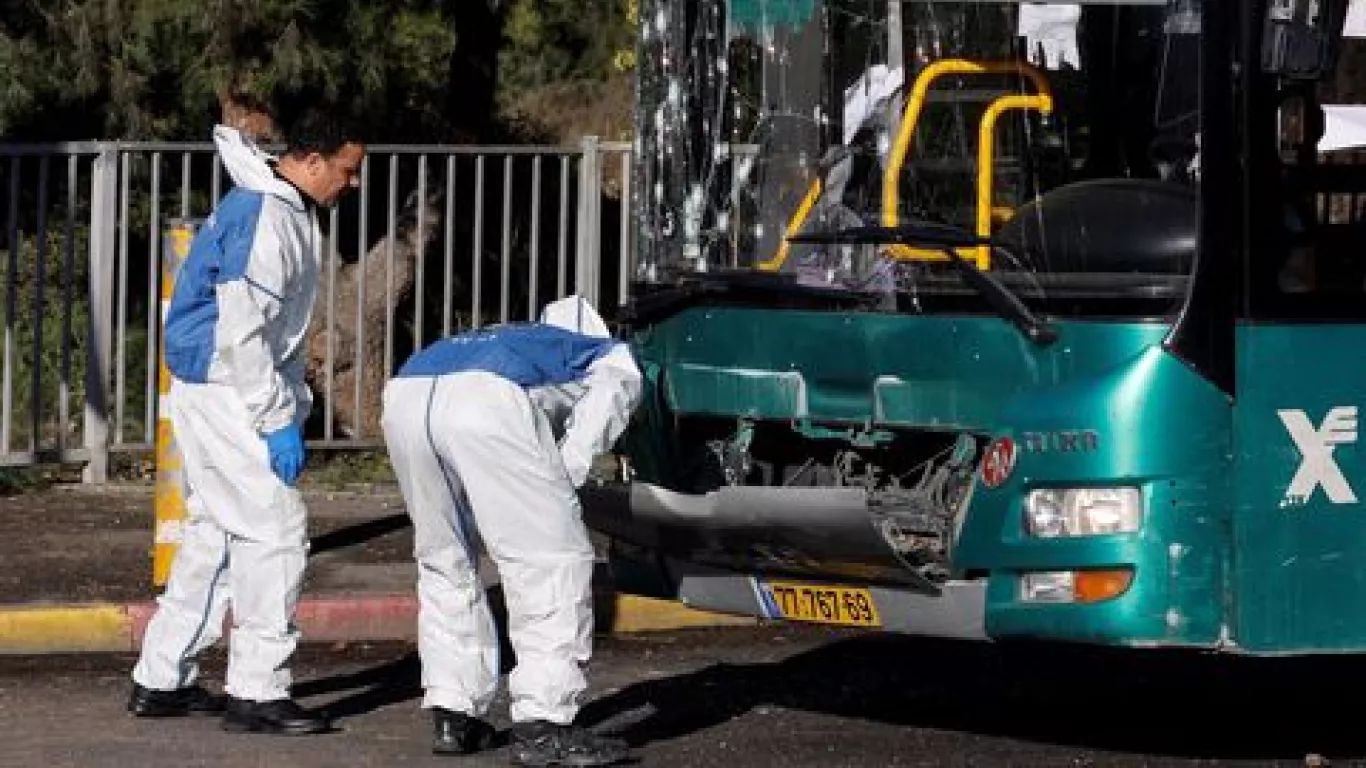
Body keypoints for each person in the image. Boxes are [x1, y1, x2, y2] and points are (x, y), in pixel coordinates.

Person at [127, 113, 365, 735]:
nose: (353, 183)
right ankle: (258, 691)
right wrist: (275, 417)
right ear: (312, 161)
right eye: (348, 169)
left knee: (217, 535)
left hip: (215, 383)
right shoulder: (267, 215)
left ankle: (163, 677)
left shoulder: (270, 207)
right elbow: (242, 329)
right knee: (275, 531)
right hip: (230, 387)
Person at [380, 296, 641, 766]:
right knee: (552, 562)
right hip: (488, 403)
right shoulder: (601, 352)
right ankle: (545, 722)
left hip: (406, 392)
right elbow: (614, 394)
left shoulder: (506, 336)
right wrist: (566, 475)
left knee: (447, 560)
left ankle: (453, 713)